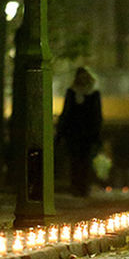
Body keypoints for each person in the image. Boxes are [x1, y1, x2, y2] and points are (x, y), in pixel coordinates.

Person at [56, 67, 102, 197]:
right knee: (75, 161)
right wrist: (62, 131)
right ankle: (76, 186)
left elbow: (97, 114)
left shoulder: (94, 93)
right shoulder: (72, 92)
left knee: (85, 161)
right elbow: (66, 112)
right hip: (74, 133)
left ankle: (83, 187)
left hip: (88, 133)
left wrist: (96, 132)